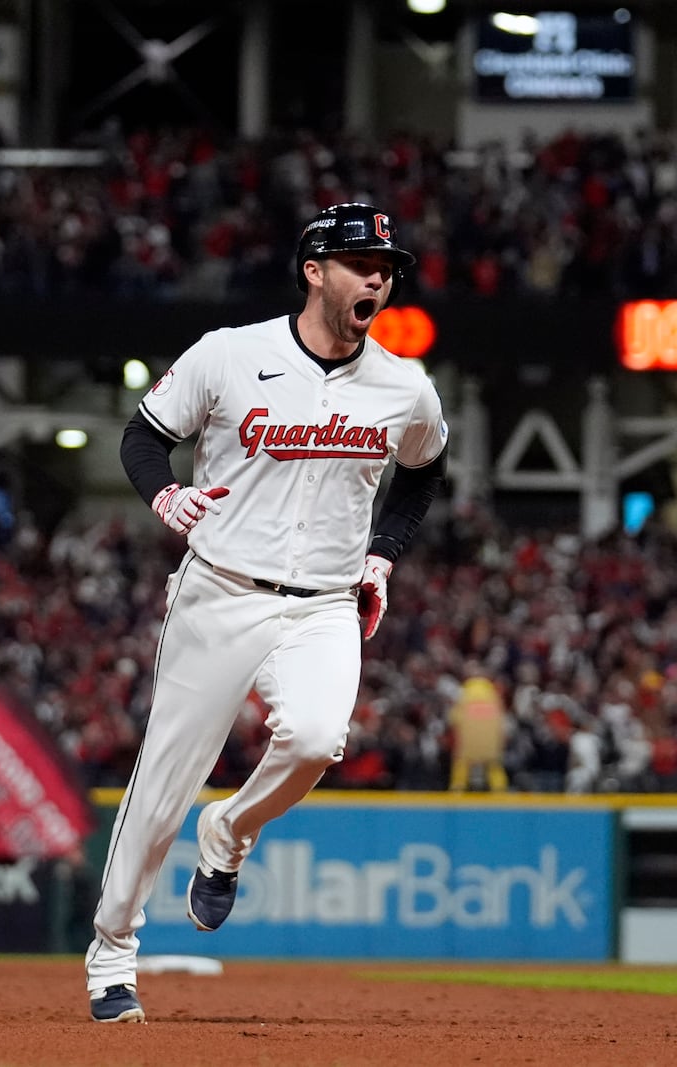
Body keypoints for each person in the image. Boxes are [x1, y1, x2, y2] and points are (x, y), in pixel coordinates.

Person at [84, 202, 448, 1023]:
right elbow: (143, 437)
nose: (379, 279)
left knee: (319, 738)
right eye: (362, 264)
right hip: (219, 590)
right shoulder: (229, 354)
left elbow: (427, 469)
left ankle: (231, 833)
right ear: (315, 271)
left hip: (323, 603)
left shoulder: (402, 384)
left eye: (387, 268)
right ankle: (112, 951)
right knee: (161, 785)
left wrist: (384, 551)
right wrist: (165, 495)